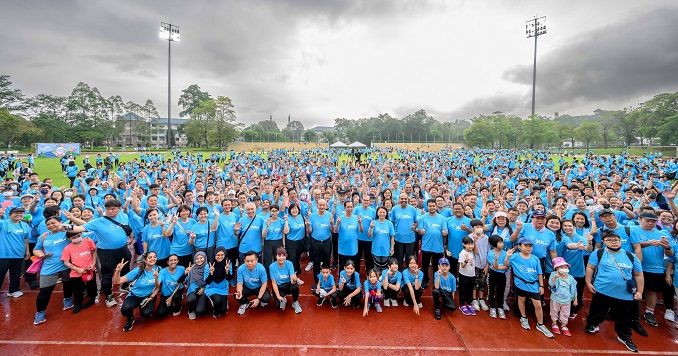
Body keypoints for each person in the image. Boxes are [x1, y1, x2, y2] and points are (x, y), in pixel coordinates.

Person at [66, 199, 133, 308]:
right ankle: (109, 295)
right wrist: (62, 227)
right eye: (108, 209)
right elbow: (80, 228)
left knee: (126, 269)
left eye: (113, 209)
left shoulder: (123, 216)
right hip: (106, 252)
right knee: (107, 274)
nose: (110, 211)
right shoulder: (98, 221)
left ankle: (125, 285)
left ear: (119, 209)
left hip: (123, 249)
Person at [585, 231, 644, 353]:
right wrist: (588, 282)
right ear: (604, 242)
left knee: (624, 316)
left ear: (620, 241)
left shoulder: (631, 256)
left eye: (616, 240)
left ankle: (624, 336)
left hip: (625, 294)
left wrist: (640, 291)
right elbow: (590, 268)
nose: (614, 242)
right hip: (602, 289)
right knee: (597, 310)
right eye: (610, 240)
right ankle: (592, 324)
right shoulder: (599, 253)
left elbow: (638, 275)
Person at [631, 211, 673, 327]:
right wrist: (647, 243)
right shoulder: (632, 229)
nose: (650, 223)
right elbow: (632, 245)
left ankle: (649, 312)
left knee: (652, 291)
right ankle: (629, 312)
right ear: (640, 219)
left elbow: (670, 253)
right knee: (632, 290)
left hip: (656, 268)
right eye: (647, 220)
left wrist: (667, 247)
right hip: (636, 266)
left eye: (653, 221)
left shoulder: (663, 233)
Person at [506, 238, 554, 338]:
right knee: (521, 300)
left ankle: (540, 324)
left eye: (530, 246)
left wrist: (541, 285)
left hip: (534, 285)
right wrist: (507, 256)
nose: (528, 248)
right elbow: (506, 265)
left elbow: (539, 273)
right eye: (526, 246)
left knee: (538, 305)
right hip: (520, 284)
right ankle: (523, 317)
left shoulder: (535, 258)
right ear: (519, 246)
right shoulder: (514, 257)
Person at [33, 216, 73, 325]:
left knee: (67, 283)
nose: (51, 225)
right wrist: (42, 255)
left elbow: (79, 232)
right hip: (49, 267)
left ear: (60, 222)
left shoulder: (67, 233)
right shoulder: (44, 236)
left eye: (53, 223)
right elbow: (36, 249)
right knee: (45, 290)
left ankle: (68, 299)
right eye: (48, 224)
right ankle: (40, 312)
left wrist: (66, 226)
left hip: (66, 265)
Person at [114, 251, 161, 331]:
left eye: (154, 257)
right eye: (150, 257)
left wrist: (152, 296)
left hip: (148, 296)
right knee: (125, 309)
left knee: (146, 314)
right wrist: (118, 271)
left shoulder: (159, 269)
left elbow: (158, 287)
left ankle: (144, 306)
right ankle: (130, 319)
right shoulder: (138, 270)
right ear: (145, 260)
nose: (153, 259)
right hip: (135, 295)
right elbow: (117, 281)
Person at [60, 230, 97, 314]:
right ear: (69, 239)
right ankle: (78, 303)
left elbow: (93, 252)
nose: (77, 238)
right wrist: (77, 269)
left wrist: (93, 263)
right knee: (77, 289)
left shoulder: (88, 241)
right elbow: (66, 262)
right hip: (76, 273)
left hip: (89, 270)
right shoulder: (67, 248)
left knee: (91, 286)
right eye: (74, 238)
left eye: (78, 235)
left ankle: (92, 299)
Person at [417, 198, 449, 288]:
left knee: (436, 266)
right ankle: (425, 280)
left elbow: (445, 231)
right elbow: (419, 230)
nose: (432, 208)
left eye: (433, 206)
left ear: (436, 206)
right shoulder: (422, 218)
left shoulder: (442, 219)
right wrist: (421, 231)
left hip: (438, 247)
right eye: (430, 206)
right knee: (425, 266)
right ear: (427, 207)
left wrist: (445, 233)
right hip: (426, 246)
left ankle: (436, 280)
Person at [0, 206, 31, 298]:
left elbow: (26, 238)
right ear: (10, 215)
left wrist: (27, 250)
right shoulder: (3, 223)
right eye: (16, 213)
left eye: (21, 213)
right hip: (4, 254)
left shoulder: (25, 225)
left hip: (18, 254)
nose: (19, 214)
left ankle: (13, 290)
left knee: (16, 273)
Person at [234, 250, 271, 315]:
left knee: (266, 298)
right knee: (236, 295)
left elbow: (264, 284)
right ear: (244, 261)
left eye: (252, 261)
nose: (250, 263)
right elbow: (239, 283)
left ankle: (259, 300)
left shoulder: (261, 269)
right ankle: (246, 303)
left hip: (258, 287)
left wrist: (258, 299)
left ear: (256, 260)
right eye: (247, 261)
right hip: (247, 287)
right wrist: (239, 292)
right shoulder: (240, 269)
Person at [548, 257, 577, 337]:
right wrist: (555, 277)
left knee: (565, 313)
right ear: (556, 268)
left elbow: (574, 289)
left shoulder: (571, 278)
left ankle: (563, 325)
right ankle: (554, 324)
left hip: (567, 300)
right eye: (561, 267)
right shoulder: (553, 275)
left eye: (565, 267)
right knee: (554, 311)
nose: (564, 268)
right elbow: (551, 284)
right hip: (555, 299)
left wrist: (575, 299)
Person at [269, 246, 302, 313]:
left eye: (283, 256)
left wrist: (294, 279)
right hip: (279, 286)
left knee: (295, 287)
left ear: (286, 256)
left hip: (288, 285)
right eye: (279, 256)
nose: (281, 258)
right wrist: (278, 296)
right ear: (276, 256)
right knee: (279, 306)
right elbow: (274, 283)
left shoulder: (289, 264)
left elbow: (292, 281)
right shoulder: (272, 266)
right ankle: (282, 297)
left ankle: (295, 302)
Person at [307, 199, 333, 282]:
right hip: (315, 242)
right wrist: (307, 226)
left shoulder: (329, 215)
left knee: (326, 262)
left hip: (326, 242)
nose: (322, 207)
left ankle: (326, 280)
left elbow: (332, 230)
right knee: (316, 262)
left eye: (323, 205)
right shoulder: (312, 216)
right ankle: (317, 280)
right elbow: (310, 231)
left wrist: (332, 224)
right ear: (317, 206)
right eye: (320, 205)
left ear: (326, 206)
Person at [391, 193, 418, 271]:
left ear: (407, 199)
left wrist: (414, 226)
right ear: (399, 199)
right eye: (402, 199)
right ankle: (400, 277)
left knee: (409, 260)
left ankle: (409, 277)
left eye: (405, 199)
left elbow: (416, 222)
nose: (403, 200)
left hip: (410, 239)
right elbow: (392, 222)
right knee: (398, 259)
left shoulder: (413, 209)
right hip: (398, 239)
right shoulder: (394, 209)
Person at [204, 246, 233, 318]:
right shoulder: (209, 265)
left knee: (223, 310)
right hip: (211, 288)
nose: (220, 257)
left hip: (223, 289)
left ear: (225, 255)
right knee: (217, 301)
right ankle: (215, 309)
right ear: (214, 255)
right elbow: (207, 282)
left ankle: (223, 301)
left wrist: (227, 271)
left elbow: (229, 278)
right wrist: (211, 273)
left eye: (222, 255)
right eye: (218, 255)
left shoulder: (228, 264)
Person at [157, 254, 187, 318]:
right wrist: (156, 278)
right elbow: (158, 284)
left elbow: (183, 281)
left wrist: (186, 273)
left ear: (178, 261)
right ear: (168, 262)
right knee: (160, 314)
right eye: (171, 260)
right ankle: (171, 303)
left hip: (177, 291)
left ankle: (178, 306)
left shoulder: (182, 268)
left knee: (176, 298)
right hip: (166, 293)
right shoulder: (163, 271)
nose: (173, 262)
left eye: (175, 260)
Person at [487, 234, 508, 319]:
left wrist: (500, 267)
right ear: (494, 244)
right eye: (500, 242)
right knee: (491, 291)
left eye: (502, 242)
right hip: (493, 274)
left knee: (501, 291)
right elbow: (495, 267)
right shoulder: (491, 253)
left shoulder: (505, 253)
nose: (502, 244)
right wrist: (496, 260)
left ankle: (500, 307)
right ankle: (492, 307)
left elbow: (507, 266)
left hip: (502, 275)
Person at [185, 251, 208, 319]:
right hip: (193, 290)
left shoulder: (209, 268)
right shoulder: (191, 269)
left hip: (204, 290)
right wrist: (185, 273)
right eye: (197, 259)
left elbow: (211, 282)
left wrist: (204, 289)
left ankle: (204, 303)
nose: (199, 260)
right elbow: (183, 280)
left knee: (199, 311)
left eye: (201, 258)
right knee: (190, 300)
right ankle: (191, 310)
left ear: (205, 258)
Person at [458, 236, 476, 316]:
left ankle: (469, 303)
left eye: (472, 244)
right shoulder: (462, 253)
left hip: (472, 274)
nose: (471, 246)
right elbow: (462, 266)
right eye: (468, 244)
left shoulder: (472, 252)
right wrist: (466, 261)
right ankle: (462, 304)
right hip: (464, 275)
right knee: (463, 289)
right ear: (463, 244)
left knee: (470, 289)